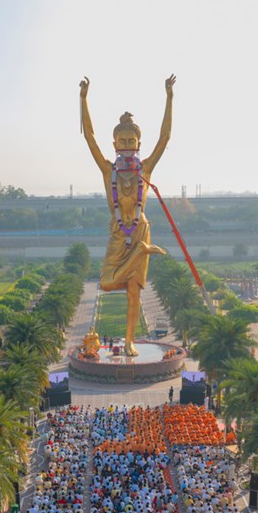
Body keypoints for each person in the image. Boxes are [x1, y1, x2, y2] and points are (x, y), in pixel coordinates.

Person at [80, 74, 175, 356]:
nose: (126, 143)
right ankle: (141, 252)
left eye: (131, 139)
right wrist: (83, 100)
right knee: (108, 283)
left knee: (134, 292)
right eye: (121, 139)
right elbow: (90, 137)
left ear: (138, 142)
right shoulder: (109, 170)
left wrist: (169, 98)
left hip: (141, 227)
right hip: (119, 233)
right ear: (114, 143)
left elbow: (165, 137)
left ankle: (130, 341)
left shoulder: (144, 169)